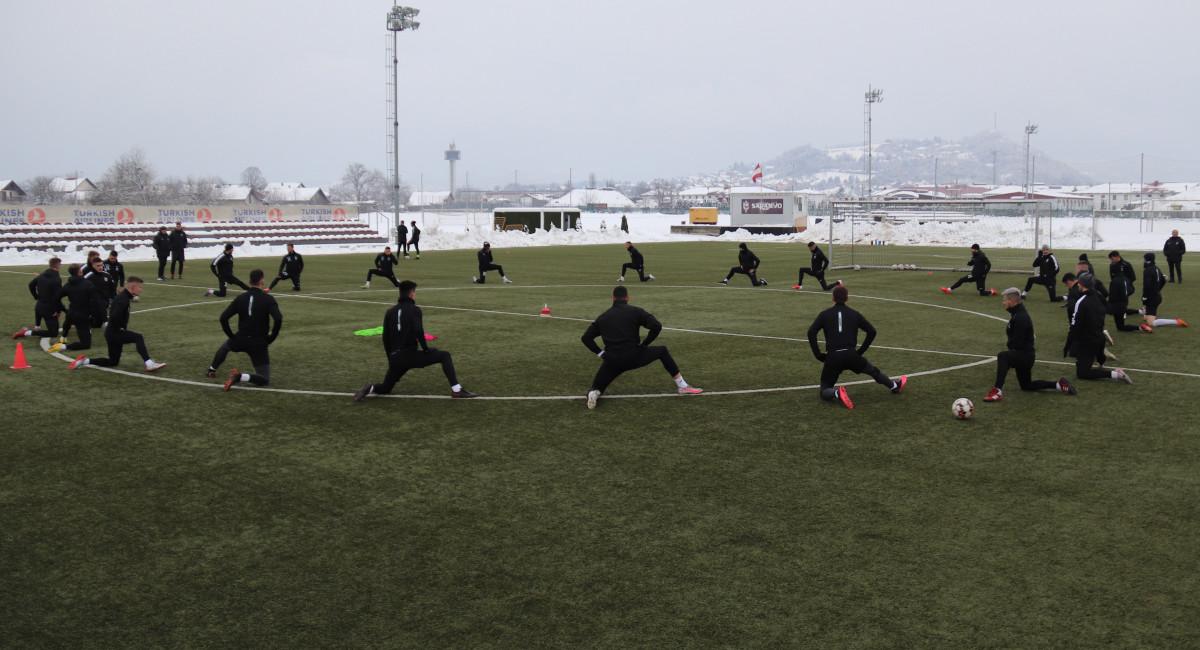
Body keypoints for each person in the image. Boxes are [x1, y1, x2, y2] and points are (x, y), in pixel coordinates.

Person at [580, 285, 702, 409]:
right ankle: (682, 386)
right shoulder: (635, 311)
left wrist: (601, 354)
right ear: (627, 297)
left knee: (596, 387)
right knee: (662, 351)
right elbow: (656, 326)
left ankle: (594, 393)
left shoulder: (603, 317)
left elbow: (586, 338)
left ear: (613, 298)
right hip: (634, 356)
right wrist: (645, 344)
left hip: (612, 360)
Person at [353, 280, 478, 400]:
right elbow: (418, 331)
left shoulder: (389, 312)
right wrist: (426, 349)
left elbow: (385, 338)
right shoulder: (415, 310)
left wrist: (390, 358)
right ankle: (457, 390)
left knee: (385, 388)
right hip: (409, 355)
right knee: (445, 356)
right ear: (412, 293)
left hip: (396, 358)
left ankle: (370, 388)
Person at [806, 285, 906, 409]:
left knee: (825, 389)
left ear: (833, 298)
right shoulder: (854, 314)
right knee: (873, 371)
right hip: (851, 355)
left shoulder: (824, 314)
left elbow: (811, 332)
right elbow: (872, 331)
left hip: (833, 356)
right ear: (847, 298)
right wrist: (860, 351)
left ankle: (836, 393)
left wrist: (818, 354)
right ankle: (894, 386)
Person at [983, 288, 1076, 402]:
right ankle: (1058, 385)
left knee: (1003, 356)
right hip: (1025, 355)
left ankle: (997, 391)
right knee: (1026, 385)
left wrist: (1010, 357)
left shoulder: (1020, 317)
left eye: (1005, 300)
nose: (1003, 302)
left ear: (1012, 301)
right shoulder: (1017, 314)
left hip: (1024, 356)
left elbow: (1017, 343)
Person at [68, 277, 167, 372]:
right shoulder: (122, 299)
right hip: (114, 332)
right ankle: (149, 363)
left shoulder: (124, 297)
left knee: (113, 361)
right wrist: (120, 328)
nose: (141, 290)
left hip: (111, 333)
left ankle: (84, 361)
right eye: (140, 287)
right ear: (133, 287)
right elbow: (115, 316)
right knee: (138, 337)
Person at [206, 269, 283, 390]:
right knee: (264, 379)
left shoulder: (241, 298)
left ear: (250, 281)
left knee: (226, 347)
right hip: (258, 342)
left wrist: (231, 336)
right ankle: (240, 377)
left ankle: (212, 369)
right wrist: (271, 337)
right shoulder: (268, 299)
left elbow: (223, 318)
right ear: (262, 281)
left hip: (240, 339)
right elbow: (278, 319)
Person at [1064, 274, 1130, 383]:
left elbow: (1074, 326)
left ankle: (1116, 374)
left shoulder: (1081, 301)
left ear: (1081, 284)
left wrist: (1068, 345)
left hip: (1088, 341)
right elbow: (1107, 308)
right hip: (1099, 337)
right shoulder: (1099, 295)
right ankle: (1100, 360)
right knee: (1095, 357)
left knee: (1082, 373)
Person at [11, 257, 64, 341]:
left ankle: (37, 326)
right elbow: (57, 297)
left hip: (39, 306)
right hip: (48, 309)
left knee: (53, 327)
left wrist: (36, 296)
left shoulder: (42, 274)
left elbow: (31, 285)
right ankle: (25, 332)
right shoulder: (56, 279)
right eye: (60, 264)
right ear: (57, 265)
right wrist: (58, 310)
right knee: (53, 333)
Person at [54, 264, 98, 353]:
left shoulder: (68, 284)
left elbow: (57, 297)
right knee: (85, 344)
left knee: (68, 321)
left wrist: (62, 309)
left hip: (71, 312)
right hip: (83, 316)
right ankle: (63, 346)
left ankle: (63, 337)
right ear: (80, 272)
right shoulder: (88, 284)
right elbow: (95, 301)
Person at [1139, 252, 1188, 332]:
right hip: (1156, 296)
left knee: (1151, 323)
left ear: (1146, 260)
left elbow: (1147, 286)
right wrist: (1158, 289)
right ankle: (1146, 312)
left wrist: (1144, 297)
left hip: (1152, 299)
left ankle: (1176, 322)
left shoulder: (1147, 270)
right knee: (1145, 317)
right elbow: (1164, 279)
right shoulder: (1156, 268)